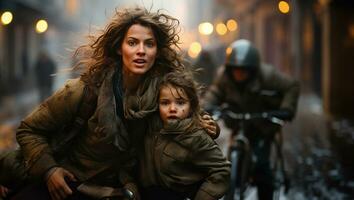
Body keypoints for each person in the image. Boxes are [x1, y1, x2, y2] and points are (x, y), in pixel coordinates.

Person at [0, 7, 218, 200]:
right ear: (118, 48)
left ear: (156, 51)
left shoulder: (165, 95)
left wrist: (207, 126)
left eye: (149, 44)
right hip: (70, 184)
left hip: (122, 190)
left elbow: (185, 122)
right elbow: (29, 129)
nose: (141, 50)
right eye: (132, 43)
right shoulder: (84, 90)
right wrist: (50, 171)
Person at [203, 39, 300, 200]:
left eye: (244, 70)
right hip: (238, 121)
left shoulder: (267, 75)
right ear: (229, 68)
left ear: (253, 69)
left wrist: (286, 110)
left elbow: (292, 86)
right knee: (229, 162)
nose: (239, 73)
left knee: (262, 167)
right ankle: (235, 182)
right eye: (235, 69)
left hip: (262, 124)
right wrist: (207, 107)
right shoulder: (224, 76)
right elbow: (215, 93)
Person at [139, 72, 230, 200]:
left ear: (190, 106)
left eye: (180, 103)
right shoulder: (151, 129)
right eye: (165, 103)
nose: (172, 108)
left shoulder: (195, 136)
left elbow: (221, 170)